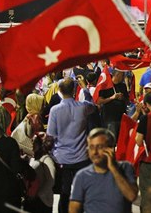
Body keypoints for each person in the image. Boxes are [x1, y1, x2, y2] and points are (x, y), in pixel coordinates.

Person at [46, 78, 97, 213]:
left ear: (60, 91)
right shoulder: (83, 107)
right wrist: (85, 88)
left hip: (62, 159)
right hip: (81, 158)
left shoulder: (55, 110)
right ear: (74, 90)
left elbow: (50, 135)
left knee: (65, 193)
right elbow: (93, 104)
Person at [69, 128, 138, 213]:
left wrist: (113, 168)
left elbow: (132, 196)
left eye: (99, 147)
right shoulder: (82, 175)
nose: (94, 152)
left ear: (111, 149)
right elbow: (73, 209)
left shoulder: (125, 168)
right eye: (91, 147)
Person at [24, 133, 56, 213]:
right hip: (32, 199)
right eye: (31, 141)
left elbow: (51, 180)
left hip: (42, 200)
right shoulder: (32, 159)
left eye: (35, 142)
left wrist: (40, 194)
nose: (32, 144)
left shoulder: (46, 159)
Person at [97, 69, 129, 139]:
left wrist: (122, 98)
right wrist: (112, 97)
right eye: (122, 75)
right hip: (110, 119)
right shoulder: (105, 85)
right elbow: (99, 101)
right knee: (111, 140)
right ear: (117, 75)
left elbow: (127, 100)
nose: (124, 77)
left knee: (121, 140)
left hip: (121, 118)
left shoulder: (123, 86)